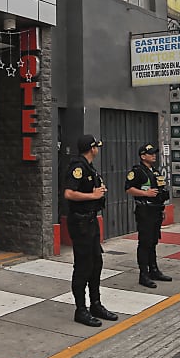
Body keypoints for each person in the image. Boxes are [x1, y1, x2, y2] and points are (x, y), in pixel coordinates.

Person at [63, 134, 118, 326]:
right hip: (81, 223)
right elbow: (69, 193)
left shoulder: (89, 167)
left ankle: (96, 304)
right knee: (83, 266)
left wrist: (99, 192)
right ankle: (81, 309)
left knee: (96, 263)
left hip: (91, 221)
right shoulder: (78, 167)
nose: (98, 150)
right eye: (96, 147)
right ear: (91, 148)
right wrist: (92, 195)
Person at [125, 142, 172, 287]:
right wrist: (145, 193)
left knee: (153, 242)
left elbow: (160, 191)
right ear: (143, 156)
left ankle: (154, 270)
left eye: (154, 153)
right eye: (150, 154)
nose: (154, 156)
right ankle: (143, 274)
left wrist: (163, 208)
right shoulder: (137, 171)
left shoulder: (155, 171)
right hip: (145, 211)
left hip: (156, 210)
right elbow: (128, 189)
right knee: (145, 243)